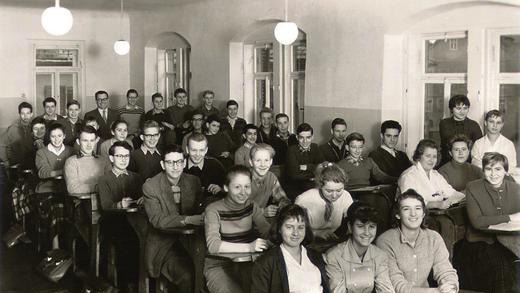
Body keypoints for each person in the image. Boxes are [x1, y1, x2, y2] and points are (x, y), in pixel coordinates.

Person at [453, 152, 520, 292]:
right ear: (483, 171)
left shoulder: (515, 188)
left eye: (498, 169)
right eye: (489, 169)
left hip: (511, 241)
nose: (493, 174)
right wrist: (510, 217)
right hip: (480, 242)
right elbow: (478, 222)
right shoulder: (473, 187)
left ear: (506, 171)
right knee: (502, 265)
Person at [143, 144, 204, 293]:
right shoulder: (151, 186)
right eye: (170, 162)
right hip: (165, 244)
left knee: (208, 271)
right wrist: (189, 220)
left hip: (192, 241)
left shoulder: (194, 181)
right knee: (187, 275)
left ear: (184, 163)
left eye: (179, 162)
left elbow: (201, 211)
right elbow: (157, 219)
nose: (175, 166)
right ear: (163, 164)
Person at [376, 190, 459, 293]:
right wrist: (434, 291)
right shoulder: (385, 241)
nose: (413, 214)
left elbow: (445, 270)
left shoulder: (434, 238)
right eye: (406, 209)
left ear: (423, 213)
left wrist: (450, 286)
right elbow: (397, 285)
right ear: (398, 215)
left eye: (418, 208)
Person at [204, 165, 271, 293]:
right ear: (225, 187)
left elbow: (267, 231)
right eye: (237, 187)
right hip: (218, 265)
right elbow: (213, 245)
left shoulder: (252, 206)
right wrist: (249, 247)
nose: (243, 192)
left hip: (247, 263)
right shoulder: (213, 210)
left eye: (247, 186)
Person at [251, 204, 331, 293]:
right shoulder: (266, 262)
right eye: (289, 227)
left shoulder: (315, 256)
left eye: (300, 227)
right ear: (279, 229)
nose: (296, 233)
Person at [98, 141, 142, 291]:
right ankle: (127, 283)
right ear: (111, 158)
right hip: (113, 220)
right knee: (127, 240)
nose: (123, 159)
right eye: (119, 156)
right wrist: (119, 205)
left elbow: (140, 199)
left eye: (126, 156)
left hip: (134, 219)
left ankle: (142, 281)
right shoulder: (104, 180)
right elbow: (105, 206)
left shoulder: (137, 177)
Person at [325, 203, 394, 293]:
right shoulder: (334, 256)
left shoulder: (380, 256)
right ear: (350, 227)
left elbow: (386, 290)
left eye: (372, 227)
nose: (367, 233)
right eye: (360, 226)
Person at [34, 123, 74, 249]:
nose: (56, 139)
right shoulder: (42, 152)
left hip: (66, 190)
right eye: (53, 136)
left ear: (64, 136)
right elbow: (43, 172)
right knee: (56, 209)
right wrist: (65, 171)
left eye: (59, 136)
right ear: (49, 137)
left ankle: (71, 248)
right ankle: (55, 249)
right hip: (46, 190)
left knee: (74, 210)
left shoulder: (71, 151)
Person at [398, 139, 465, 209]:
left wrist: (461, 197)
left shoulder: (435, 175)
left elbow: (451, 193)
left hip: (437, 214)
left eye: (434, 156)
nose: (431, 160)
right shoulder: (408, 176)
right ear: (419, 156)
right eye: (428, 156)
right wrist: (436, 204)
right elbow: (410, 203)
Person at [295, 162, 353, 241]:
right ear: (320, 185)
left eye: (339, 190)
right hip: (306, 240)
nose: (334, 195)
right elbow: (295, 228)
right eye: (329, 191)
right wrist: (315, 233)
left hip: (331, 240)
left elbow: (352, 218)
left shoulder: (345, 196)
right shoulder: (304, 200)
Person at [249, 144, 291, 218]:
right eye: (258, 160)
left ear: (271, 162)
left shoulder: (271, 177)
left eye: (266, 160)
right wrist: (262, 212)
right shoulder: (243, 179)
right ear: (251, 162)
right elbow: (238, 209)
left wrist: (285, 206)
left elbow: (281, 197)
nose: (263, 165)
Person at [439, 95, 482, 165]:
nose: (462, 111)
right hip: (447, 161)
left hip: (468, 162)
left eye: (465, 108)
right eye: (458, 108)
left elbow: (479, 147)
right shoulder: (444, 123)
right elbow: (449, 143)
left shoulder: (474, 125)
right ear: (451, 109)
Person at [184, 133, 226, 204]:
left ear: (206, 150)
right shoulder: (179, 166)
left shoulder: (215, 165)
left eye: (201, 150)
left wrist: (221, 189)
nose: (198, 154)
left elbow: (228, 186)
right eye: (194, 150)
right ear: (187, 149)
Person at [286, 123, 325, 197]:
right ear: (297, 137)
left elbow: (322, 166)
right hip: (296, 188)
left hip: (313, 186)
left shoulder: (315, 147)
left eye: (308, 137)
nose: (305, 141)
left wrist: (306, 167)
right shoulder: (291, 150)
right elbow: (294, 174)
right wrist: (314, 173)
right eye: (301, 138)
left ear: (312, 137)